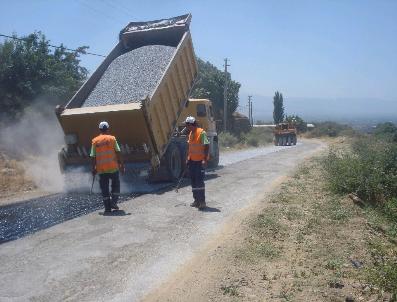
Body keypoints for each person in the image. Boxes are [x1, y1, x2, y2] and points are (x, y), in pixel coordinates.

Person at [90, 121, 125, 213]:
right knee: (116, 185)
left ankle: (107, 208)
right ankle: (114, 202)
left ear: (99, 129)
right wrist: (122, 165)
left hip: (101, 170)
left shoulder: (95, 141)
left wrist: (93, 168)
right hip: (113, 168)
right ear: (108, 129)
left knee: (104, 189)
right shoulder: (112, 139)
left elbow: (93, 156)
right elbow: (118, 152)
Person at [185, 116, 210, 210]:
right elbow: (190, 148)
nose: (186, 127)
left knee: (199, 182)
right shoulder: (191, 133)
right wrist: (187, 158)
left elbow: (207, 146)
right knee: (193, 182)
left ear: (192, 124)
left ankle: (202, 202)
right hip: (192, 161)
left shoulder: (202, 133)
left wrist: (205, 159)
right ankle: (196, 201)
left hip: (200, 162)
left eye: (187, 125)